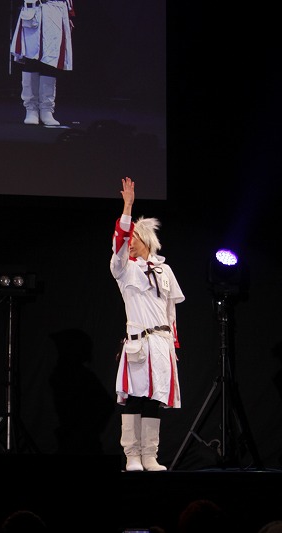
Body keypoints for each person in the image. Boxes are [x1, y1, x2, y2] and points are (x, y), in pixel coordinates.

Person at [111, 176, 184, 471]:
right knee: (135, 398)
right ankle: (132, 455)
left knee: (155, 399)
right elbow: (118, 241)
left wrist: (173, 346)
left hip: (161, 344)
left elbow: (170, 312)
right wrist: (127, 207)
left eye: (134, 238)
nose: (129, 243)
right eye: (129, 238)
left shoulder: (165, 271)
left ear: (145, 240)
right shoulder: (123, 269)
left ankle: (150, 455)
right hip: (138, 343)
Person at [10, 0, 74, 126]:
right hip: (35, 9)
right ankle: (31, 109)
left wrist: (70, 14)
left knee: (51, 61)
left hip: (56, 11)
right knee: (31, 59)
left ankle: (46, 109)